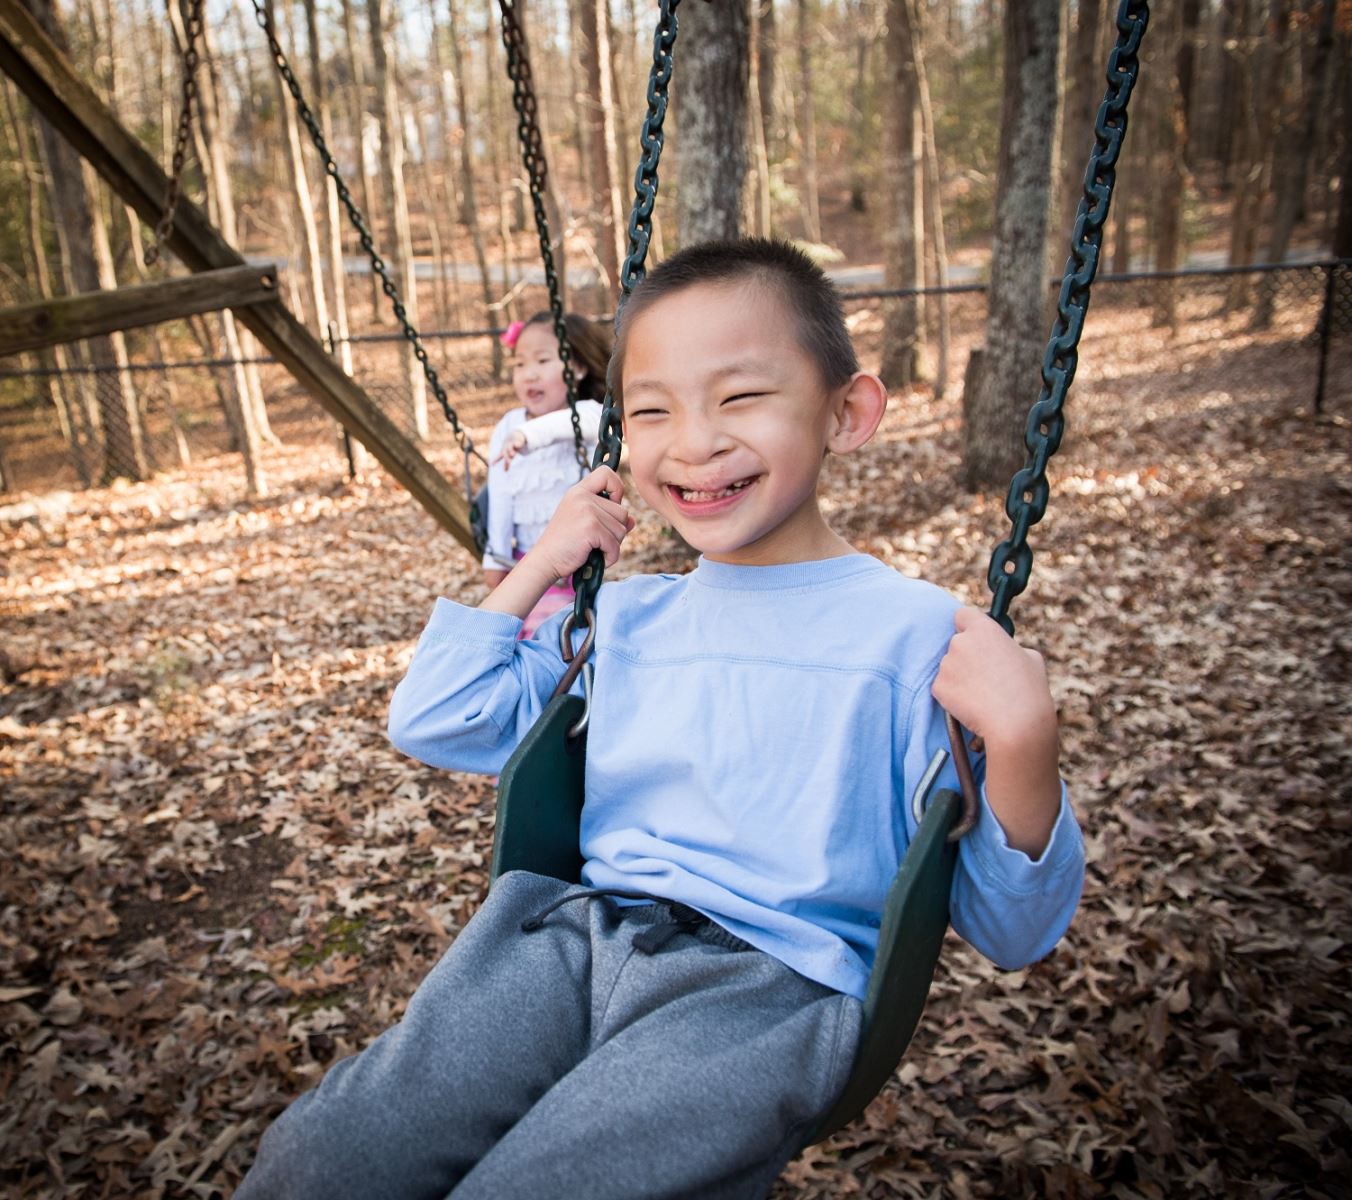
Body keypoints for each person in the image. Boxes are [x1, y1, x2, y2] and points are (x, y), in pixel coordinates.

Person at [237, 239, 1084, 1199]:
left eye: (740, 397)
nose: (693, 443)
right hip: (569, 942)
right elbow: (435, 717)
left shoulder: (921, 644)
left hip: (764, 991)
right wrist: (541, 566)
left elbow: (1012, 931)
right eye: (651, 411)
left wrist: (1021, 749)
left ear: (848, 414)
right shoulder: (629, 619)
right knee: (323, 1157)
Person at [483, 311, 612, 637]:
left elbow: (587, 420)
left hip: (578, 564)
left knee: (562, 637)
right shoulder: (507, 425)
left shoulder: (587, 416)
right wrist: (494, 558)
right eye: (520, 364)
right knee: (517, 635)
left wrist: (529, 436)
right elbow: (500, 496)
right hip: (523, 561)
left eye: (542, 361)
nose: (529, 375)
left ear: (578, 368)